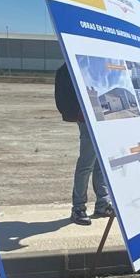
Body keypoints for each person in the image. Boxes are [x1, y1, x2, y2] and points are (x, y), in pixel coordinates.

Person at [54, 63, 114, 225]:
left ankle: (102, 204)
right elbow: (64, 94)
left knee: (100, 164)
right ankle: (78, 208)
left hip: (102, 117)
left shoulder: (94, 63)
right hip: (87, 119)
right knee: (86, 165)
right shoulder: (71, 66)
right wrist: (75, 112)